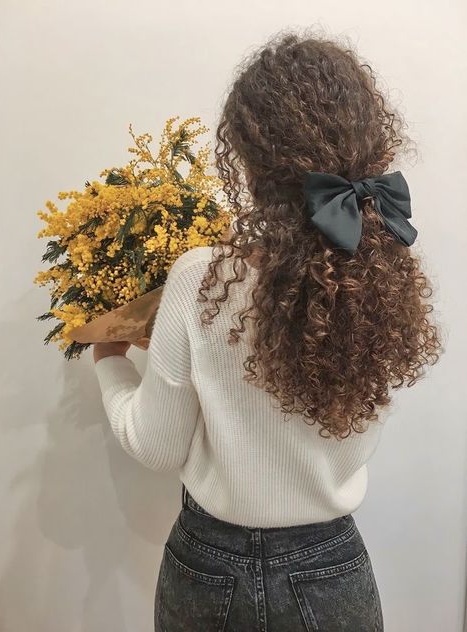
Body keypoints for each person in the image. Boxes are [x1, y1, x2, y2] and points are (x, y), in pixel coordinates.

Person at [93, 28, 444, 632]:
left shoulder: (203, 277)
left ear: (252, 160)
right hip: (329, 572)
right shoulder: (379, 279)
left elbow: (156, 445)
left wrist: (108, 358)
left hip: (208, 571)